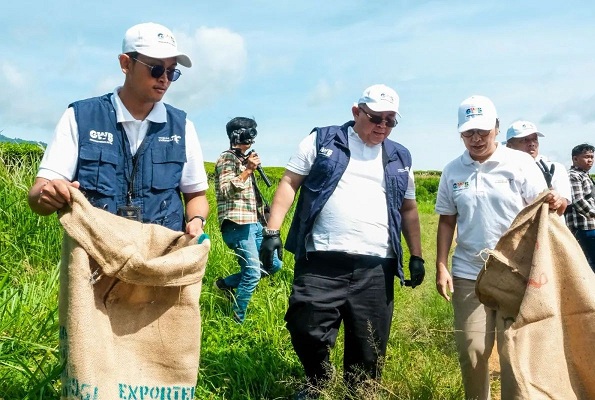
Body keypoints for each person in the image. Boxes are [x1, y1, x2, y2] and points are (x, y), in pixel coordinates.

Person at [259, 84, 425, 398]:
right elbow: (290, 182)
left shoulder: (400, 156)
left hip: (376, 265)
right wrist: (272, 231)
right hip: (322, 258)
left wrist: (416, 255)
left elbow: (409, 207)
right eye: (376, 117)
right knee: (305, 326)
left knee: (369, 345)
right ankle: (319, 379)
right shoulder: (322, 140)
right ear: (356, 112)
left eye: (391, 120)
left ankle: (358, 393)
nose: (383, 126)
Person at [435, 95, 565, 400]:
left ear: (496, 127)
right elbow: (447, 220)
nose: (476, 139)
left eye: (482, 131)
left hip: (516, 272)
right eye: (468, 132)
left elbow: (543, 208)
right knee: (473, 350)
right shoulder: (453, 171)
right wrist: (441, 265)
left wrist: (557, 201)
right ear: (460, 133)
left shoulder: (520, 164)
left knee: (513, 351)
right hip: (470, 272)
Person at [27, 22, 209, 235]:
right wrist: (48, 195)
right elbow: (38, 194)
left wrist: (197, 220)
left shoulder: (182, 127)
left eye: (171, 72)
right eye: (156, 69)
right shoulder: (80, 117)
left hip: (162, 252)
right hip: (95, 251)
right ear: (126, 64)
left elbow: (196, 195)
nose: (164, 79)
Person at [213, 117, 282, 323]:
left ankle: (224, 285)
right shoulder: (227, 158)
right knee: (252, 273)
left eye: (253, 132)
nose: (252, 136)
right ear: (236, 134)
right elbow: (225, 191)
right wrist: (248, 170)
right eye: (248, 131)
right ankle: (237, 321)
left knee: (274, 265)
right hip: (237, 225)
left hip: (254, 223)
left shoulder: (243, 159)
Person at [505, 120, 570, 212]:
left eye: (535, 139)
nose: (532, 144)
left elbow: (562, 209)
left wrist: (549, 189)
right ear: (509, 146)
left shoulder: (555, 168)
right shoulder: (501, 170)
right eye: (524, 140)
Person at [566, 143, 595, 271]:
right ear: (575, 159)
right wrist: (593, 214)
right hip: (583, 226)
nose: (590, 160)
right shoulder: (573, 175)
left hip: (590, 225)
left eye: (592, 157)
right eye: (586, 157)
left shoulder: (585, 175)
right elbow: (578, 200)